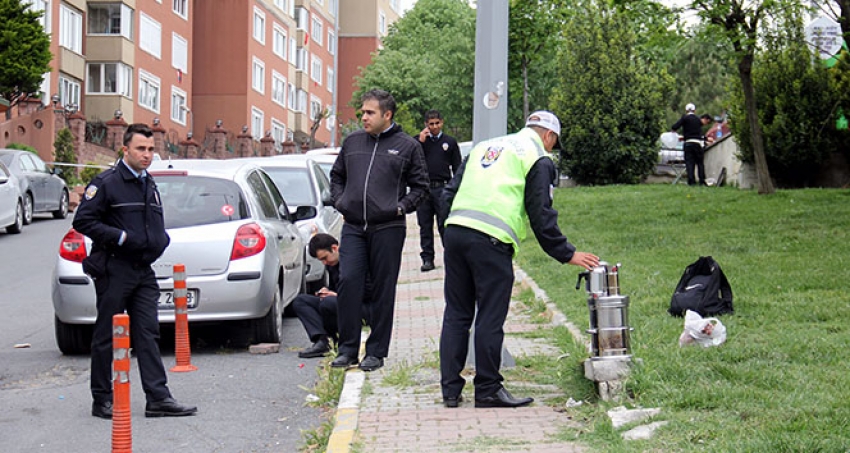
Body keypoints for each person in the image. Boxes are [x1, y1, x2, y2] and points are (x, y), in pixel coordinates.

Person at [438, 111, 599, 408]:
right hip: (491, 239)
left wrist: (447, 234)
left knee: (457, 313)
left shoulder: (486, 146)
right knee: (489, 315)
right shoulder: (538, 157)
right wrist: (567, 254)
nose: (552, 149)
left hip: (456, 232)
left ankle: (450, 390)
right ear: (549, 136)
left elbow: (448, 193)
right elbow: (541, 212)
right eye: (554, 143)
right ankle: (487, 389)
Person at [74, 123, 197, 419]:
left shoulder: (148, 183)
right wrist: (121, 237)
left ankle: (158, 397)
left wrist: (160, 240)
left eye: (151, 149)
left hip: (144, 270)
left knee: (148, 333)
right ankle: (102, 399)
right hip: (114, 268)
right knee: (107, 335)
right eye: (141, 149)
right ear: (125, 149)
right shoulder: (106, 183)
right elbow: (83, 221)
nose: (147, 155)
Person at [329, 89, 429, 372]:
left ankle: (376, 351)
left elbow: (421, 187)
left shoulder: (407, 146)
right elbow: (337, 176)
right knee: (348, 282)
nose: (363, 117)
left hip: (388, 227)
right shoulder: (352, 142)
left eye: (370, 112)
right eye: (362, 111)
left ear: (387, 115)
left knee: (383, 289)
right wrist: (340, 201)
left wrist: (400, 207)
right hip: (353, 227)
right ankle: (347, 349)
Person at [415, 110, 462, 272]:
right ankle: (427, 259)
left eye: (437, 123)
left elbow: (457, 168)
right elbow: (410, 161)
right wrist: (420, 142)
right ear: (426, 125)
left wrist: (456, 190)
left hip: (442, 188)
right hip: (424, 190)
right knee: (425, 226)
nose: (434, 127)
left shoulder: (450, 142)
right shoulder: (419, 141)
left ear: (442, 122)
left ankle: (450, 257)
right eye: (431, 124)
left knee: (445, 224)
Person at [293, 234, 342, 358]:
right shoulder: (332, 264)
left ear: (335, 248)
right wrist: (326, 291)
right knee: (301, 301)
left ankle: (338, 338)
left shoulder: (353, 262)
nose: (325, 262)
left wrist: (336, 295)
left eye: (325, 258)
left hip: (357, 304)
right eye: (322, 261)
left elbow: (366, 291)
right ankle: (322, 340)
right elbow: (334, 287)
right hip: (339, 300)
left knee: (328, 302)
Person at [671, 103, 710, 186]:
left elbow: (674, 127)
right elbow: (698, 132)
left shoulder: (684, 118)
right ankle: (702, 181)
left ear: (686, 110)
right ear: (694, 110)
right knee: (700, 163)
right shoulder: (698, 120)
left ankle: (691, 181)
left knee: (689, 163)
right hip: (697, 143)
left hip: (688, 143)